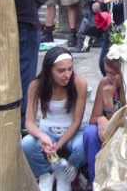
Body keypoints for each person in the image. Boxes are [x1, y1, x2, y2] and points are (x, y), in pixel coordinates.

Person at [21, 47, 87, 191]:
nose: (67, 74)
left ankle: (67, 172)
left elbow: (77, 122)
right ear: (49, 70)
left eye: (70, 69)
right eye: (61, 70)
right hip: (48, 132)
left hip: (71, 133)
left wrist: (59, 144)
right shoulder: (36, 85)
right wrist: (43, 136)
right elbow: (30, 122)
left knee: (82, 144)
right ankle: (45, 174)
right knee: (26, 143)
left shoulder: (79, 83)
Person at [83, 56, 126, 184]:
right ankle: (95, 181)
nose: (109, 76)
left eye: (114, 73)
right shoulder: (105, 83)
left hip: (124, 131)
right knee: (90, 133)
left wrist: (108, 105)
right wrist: (101, 119)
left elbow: (125, 121)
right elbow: (93, 119)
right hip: (106, 132)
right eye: (107, 72)